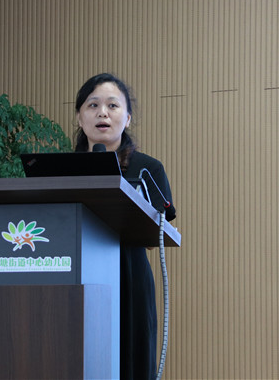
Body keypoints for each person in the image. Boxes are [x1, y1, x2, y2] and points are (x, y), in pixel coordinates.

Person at [74, 73, 176, 380]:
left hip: (128, 275)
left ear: (127, 118)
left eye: (112, 105)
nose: (102, 113)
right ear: (80, 117)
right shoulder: (60, 170)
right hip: (72, 273)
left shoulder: (148, 168)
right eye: (93, 105)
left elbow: (157, 229)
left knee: (131, 359)